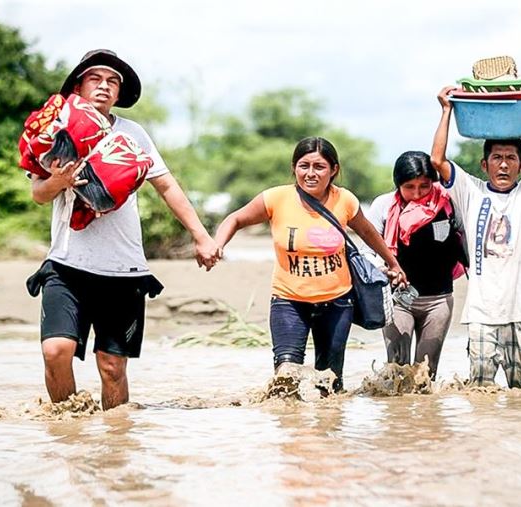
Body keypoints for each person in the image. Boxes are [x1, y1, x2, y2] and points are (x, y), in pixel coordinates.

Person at [26, 49, 220, 409]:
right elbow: (38, 193)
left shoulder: (133, 133)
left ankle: (115, 449)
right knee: (56, 350)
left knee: (112, 366)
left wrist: (201, 235)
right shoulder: (57, 130)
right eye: (95, 79)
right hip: (67, 263)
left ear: (119, 92)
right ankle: (70, 429)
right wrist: (59, 180)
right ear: (79, 87)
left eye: (112, 81)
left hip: (123, 268)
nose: (104, 86)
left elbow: (166, 186)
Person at [214, 137, 406, 393]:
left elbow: (369, 233)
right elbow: (235, 219)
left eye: (319, 167)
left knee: (329, 384)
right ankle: (292, 430)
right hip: (288, 301)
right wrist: (217, 244)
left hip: (337, 303)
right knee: (285, 378)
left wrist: (394, 264)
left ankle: (327, 431)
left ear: (334, 170)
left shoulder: (345, 201)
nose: (311, 173)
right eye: (304, 166)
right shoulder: (276, 198)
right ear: (294, 167)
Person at [430, 84, 521, 388]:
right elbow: (437, 161)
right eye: (497, 157)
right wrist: (446, 110)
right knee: (480, 395)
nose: (503, 164)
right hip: (483, 312)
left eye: (511, 158)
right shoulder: (470, 191)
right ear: (484, 164)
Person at [362, 151, 467, 379]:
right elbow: (368, 252)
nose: (417, 193)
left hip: (438, 302)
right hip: (398, 300)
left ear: (434, 182)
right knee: (396, 371)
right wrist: (382, 269)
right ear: (397, 184)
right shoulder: (384, 206)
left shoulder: (449, 204)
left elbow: (466, 241)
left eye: (424, 186)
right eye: (409, 186)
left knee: (425, 375)